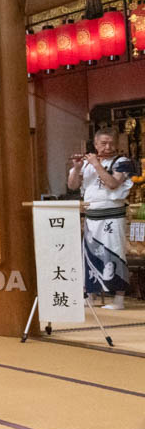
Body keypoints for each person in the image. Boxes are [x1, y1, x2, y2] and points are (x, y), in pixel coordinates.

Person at [68, 127, 134, 309]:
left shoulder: (123, 162)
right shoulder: (88, 163)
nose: (108, 147)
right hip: (92, 215)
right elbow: (72, 185)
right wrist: (77, 168)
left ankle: (118, 299)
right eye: (103, 143)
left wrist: (96, 164)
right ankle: (90, 295)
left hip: (112, 216)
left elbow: (113, 183)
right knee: (90, 254)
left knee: (114, 253)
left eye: (111, 143)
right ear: (95, 145)